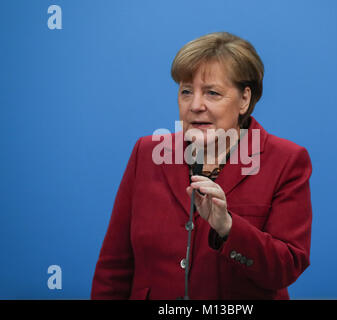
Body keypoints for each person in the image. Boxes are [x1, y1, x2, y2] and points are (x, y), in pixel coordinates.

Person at [91, 31, 313, 300]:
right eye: (186, 91)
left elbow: (285, 268)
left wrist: (228, 227)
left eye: (212, 93)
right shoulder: (147, 152)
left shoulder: (285, 160)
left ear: (244, 98)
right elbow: (114, 266)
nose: (195, 105)